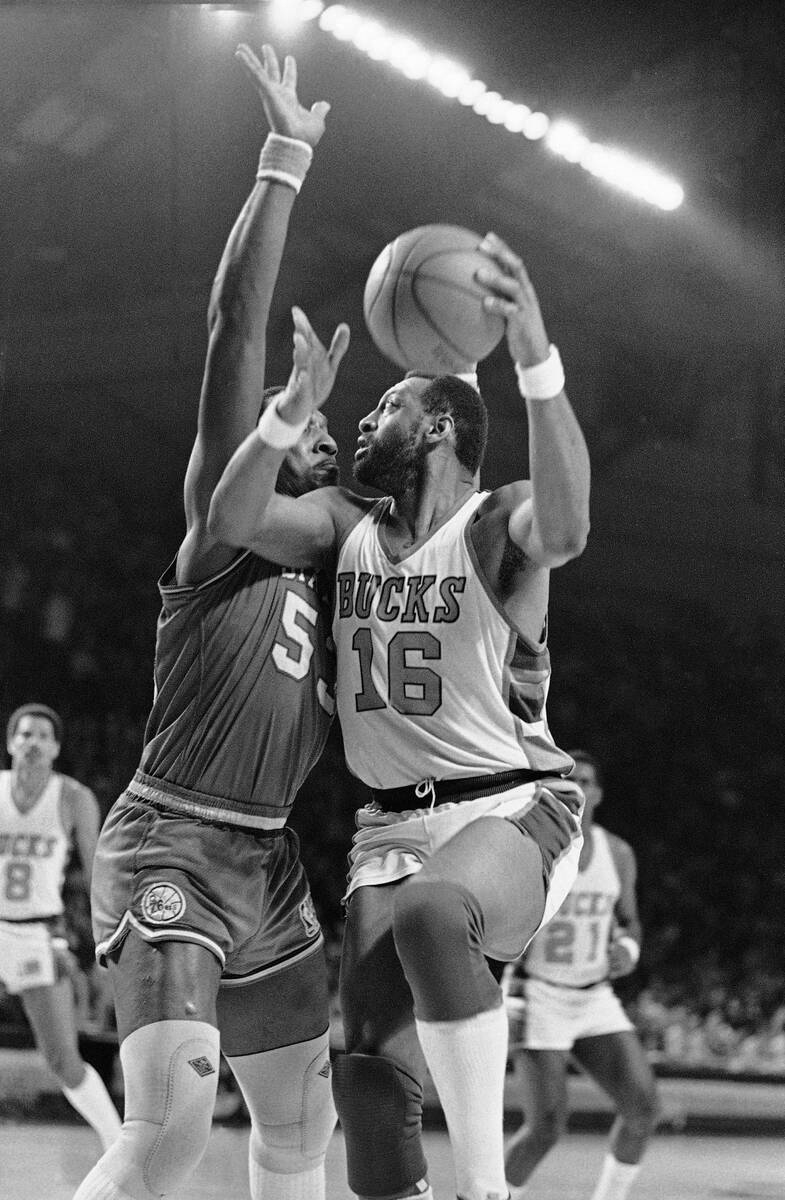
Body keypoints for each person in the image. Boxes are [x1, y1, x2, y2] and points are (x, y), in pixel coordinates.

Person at [207, 233, 591, 1200]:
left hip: (511, 810)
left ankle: (486, 1188)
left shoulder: (496, 523)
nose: (364, 418)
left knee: (433, 912)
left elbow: (571, 527)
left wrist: (533, 355)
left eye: (387, 405)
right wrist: (284, 415)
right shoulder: (343, 523)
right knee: (367, 1090)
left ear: (433, 432)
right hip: (388, 826)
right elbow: (232, 521)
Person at [73, 45, 349, 1200]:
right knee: (173, 1125)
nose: (322, 441)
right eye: (306, 438)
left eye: (331, 440)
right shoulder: (222, 530)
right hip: (174, 840)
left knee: (299, 1122)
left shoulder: (341, 583)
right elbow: (233, 330)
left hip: (269, 861)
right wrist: (282, 163)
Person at [502, 750, 659, 1200]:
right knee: (546, 1126)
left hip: (593, 996)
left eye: (588, 780)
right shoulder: (529, 845)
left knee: (643, 1109)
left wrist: (628, 947)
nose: (580, 788)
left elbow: (629, 920)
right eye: (570, 780)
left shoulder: (618, 852)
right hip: (538, 994)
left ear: (599, 792)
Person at [0, 703, 121, 1154]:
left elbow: (97, 876)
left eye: (42, 736)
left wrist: (105, 945)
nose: (32, 742)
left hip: (34, 934)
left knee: (63, 1061)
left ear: (55, 748)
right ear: (11, 742)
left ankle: (116, 1146)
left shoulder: (73, 798)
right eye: (24, 734)